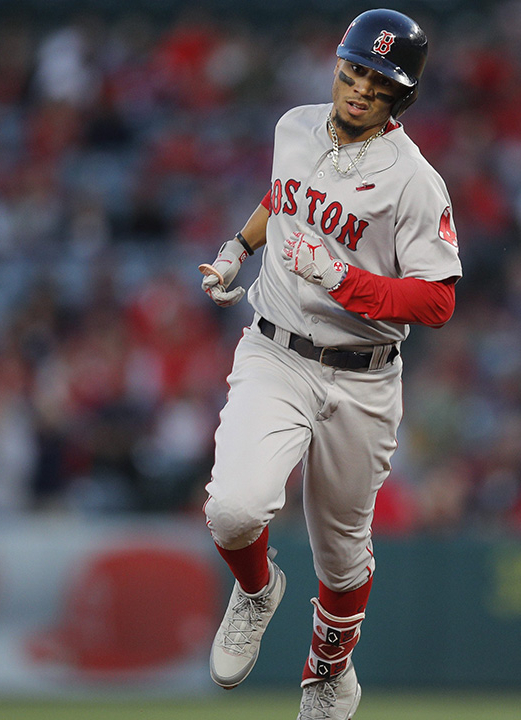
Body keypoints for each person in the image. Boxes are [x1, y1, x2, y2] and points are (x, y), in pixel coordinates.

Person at [196, 9, 460, 719]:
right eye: (354, 70)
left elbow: (436, 302)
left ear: (401, 95)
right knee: (233, 510)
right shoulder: (294, 126)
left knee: (343, 557)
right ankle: (256, 593)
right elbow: (279, 200)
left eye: (379, 80)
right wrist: (237, 248)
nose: (360, 87)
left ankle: (327, 670)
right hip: (276, 351)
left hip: (363, 374)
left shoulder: (414, 180)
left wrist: (344, 282)